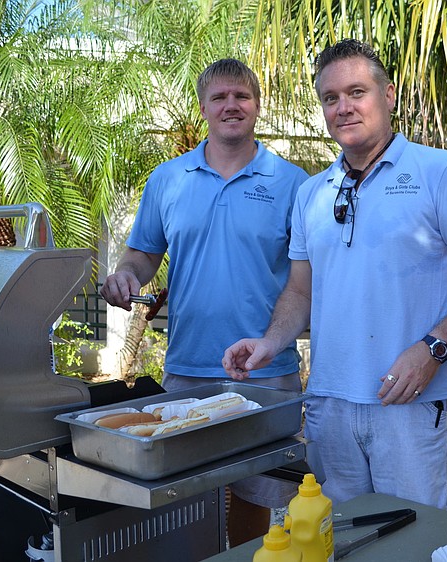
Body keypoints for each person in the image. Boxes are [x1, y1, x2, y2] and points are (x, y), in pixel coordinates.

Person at [222, 39, 447, 510]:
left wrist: (435, 348)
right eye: (330, 98)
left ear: (388, 95)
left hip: (409, 404)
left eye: (356, 92)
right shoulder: (312, 193)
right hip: (328, 405)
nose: (343, 107)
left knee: (415, 537)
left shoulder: (438, 172)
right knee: (338, 537)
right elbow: (300, 290)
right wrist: (270, 342)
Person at [100, 58, 309, 546]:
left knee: (257, 495)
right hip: (187, 369)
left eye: (241, 96)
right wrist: (126, 274)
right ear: (203, 107)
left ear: (257, 105)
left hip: (265, 372)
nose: (231, 105)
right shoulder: (168, 179)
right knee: (186, 501)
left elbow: (306, 280)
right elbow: (143, 253)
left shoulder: (293, 183)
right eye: (219, 97)